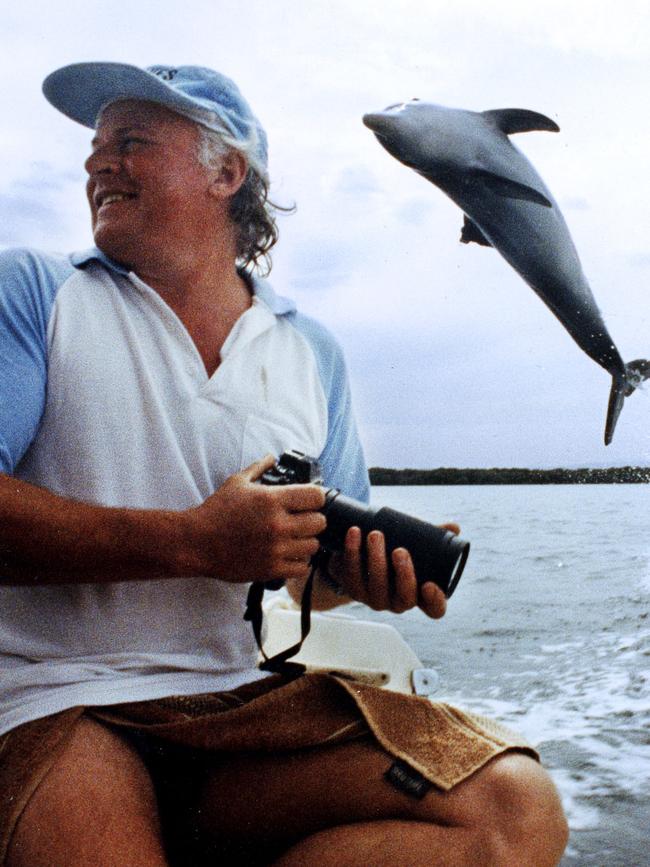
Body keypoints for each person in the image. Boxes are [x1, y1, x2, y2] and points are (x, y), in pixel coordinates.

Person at [0, 62, 568, 866]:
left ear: (226, 172)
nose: (96, 163)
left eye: (129, 142)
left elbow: (304, 578)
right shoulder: (33, 291)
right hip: (55, 699)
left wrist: (361, 577)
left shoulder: (311, 350)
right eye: (95, 148)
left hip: (241, 707)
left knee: (515, 810)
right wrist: (197, 542)